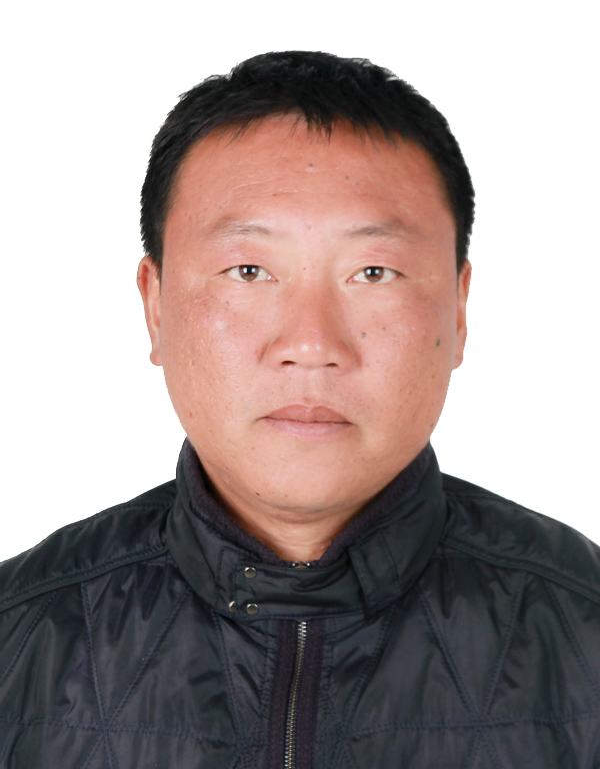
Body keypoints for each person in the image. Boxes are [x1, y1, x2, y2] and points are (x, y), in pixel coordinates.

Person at [0, 51, 599, 769]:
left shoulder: (584, 628)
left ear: (459, 308)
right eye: (249, 270)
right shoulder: (17, 636)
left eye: (373, 272)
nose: (312, 345)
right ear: (155, 306)